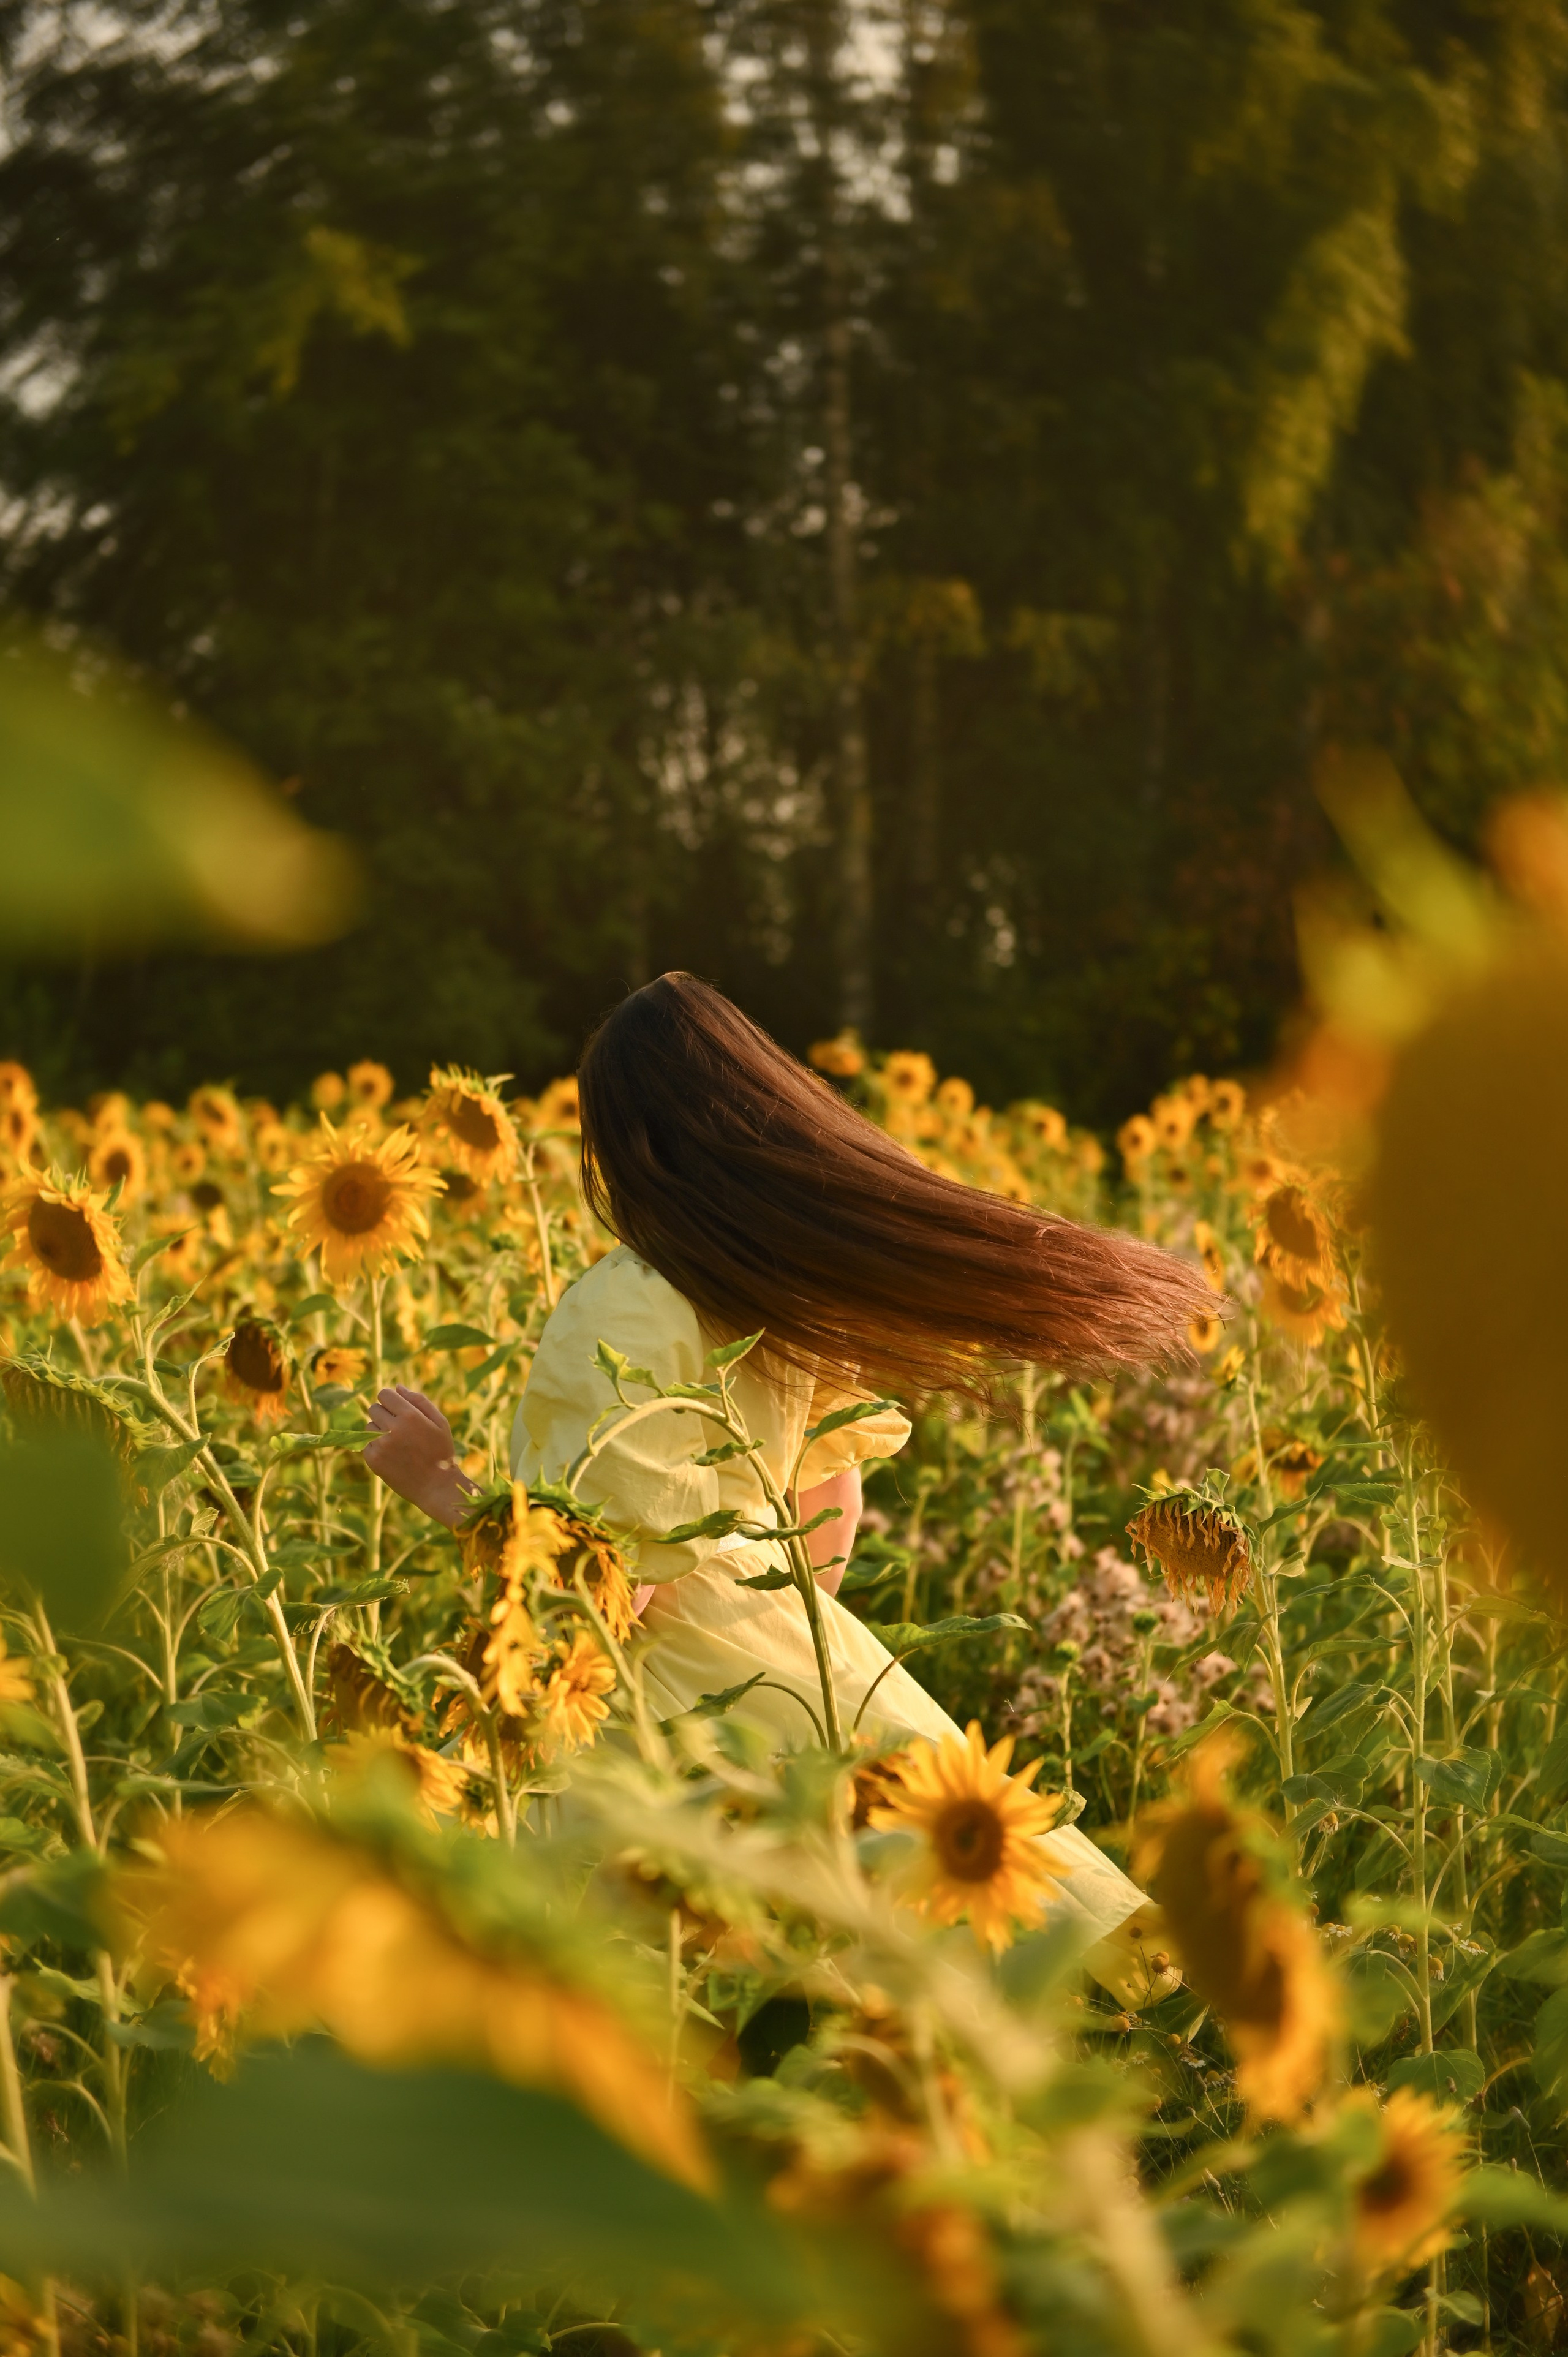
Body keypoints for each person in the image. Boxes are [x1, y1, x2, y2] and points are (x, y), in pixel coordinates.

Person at [365, 973, 1212, 1999]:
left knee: (648, 2018)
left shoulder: (623, 1306)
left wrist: (438, 1484)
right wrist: (778, 1651)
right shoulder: (776, 1285)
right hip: (806, 1659)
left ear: (621, 1147)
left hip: (645, 1714)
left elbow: (598, 1592)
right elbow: (830, 1513)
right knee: (912, 1979)